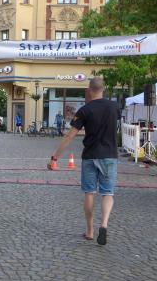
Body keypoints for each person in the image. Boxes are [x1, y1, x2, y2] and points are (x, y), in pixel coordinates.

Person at [48, 76, 120, 246]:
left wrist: (55, 157)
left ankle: (90, 231)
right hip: (109, 155)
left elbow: (69, 136)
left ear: (89, 90)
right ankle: (104, 224)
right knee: (108, 193)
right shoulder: (114, 107)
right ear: (104, 89)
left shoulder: (85, 110)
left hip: (90, 155)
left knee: (89, 193)